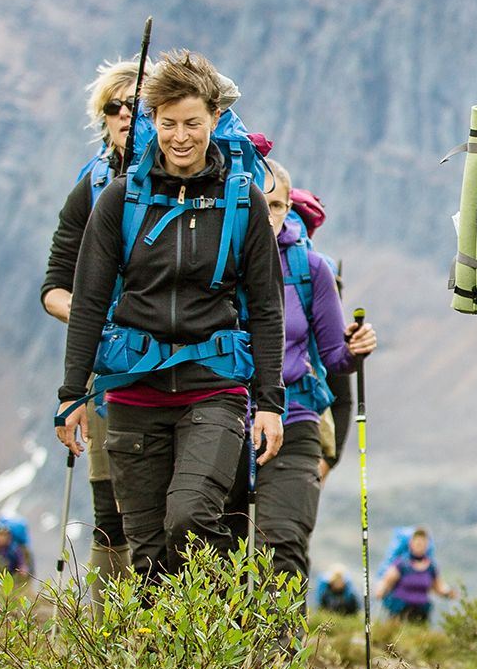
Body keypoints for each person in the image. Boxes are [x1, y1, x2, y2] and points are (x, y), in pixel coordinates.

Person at [53, 51, 285, 580]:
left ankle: (219, 636)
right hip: (134, 391)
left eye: (193, 124)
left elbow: (268, 307)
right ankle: (163, 663)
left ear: (213, 121)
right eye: (168, 123)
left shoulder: (242, 201)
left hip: (214, 387)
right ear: (152, 122)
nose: (181, 137)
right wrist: (72, 395)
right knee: (148, 551)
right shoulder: (121, 199)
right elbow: (88, 300)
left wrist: (270, 402)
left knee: (191, 519)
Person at [252, 158, 376, 579]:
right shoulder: (217, 261)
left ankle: (281, 648)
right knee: (221, 554)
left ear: (288, 208)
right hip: (222, 419)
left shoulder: (312, 269)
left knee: (281, 546)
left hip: (295, 420)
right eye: (257, 201)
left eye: (276, 205)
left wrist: (356, 347)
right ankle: (223, 647)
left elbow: (336, 360)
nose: (267, 213)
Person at [41, 62, 140, 576]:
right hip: (109, 366)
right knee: (110, 514)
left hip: (186, 365)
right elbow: (55, 285)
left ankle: (175, 643)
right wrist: (95, 317)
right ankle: (107, 645)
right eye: (113, 107)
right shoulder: (92, 184)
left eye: (136, 104)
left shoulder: (198, 184)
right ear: (102, 119)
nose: (125, 114)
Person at [377, 527, 456, 627]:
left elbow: (438, 587)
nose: (420, 546)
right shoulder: (401, 564)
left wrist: (448, 592)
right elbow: (386, 582)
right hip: (400, 613)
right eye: (418, 543)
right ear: (411, 544)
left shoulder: (431, 567)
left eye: (423, 544)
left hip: (422, 614)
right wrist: (381, 590)